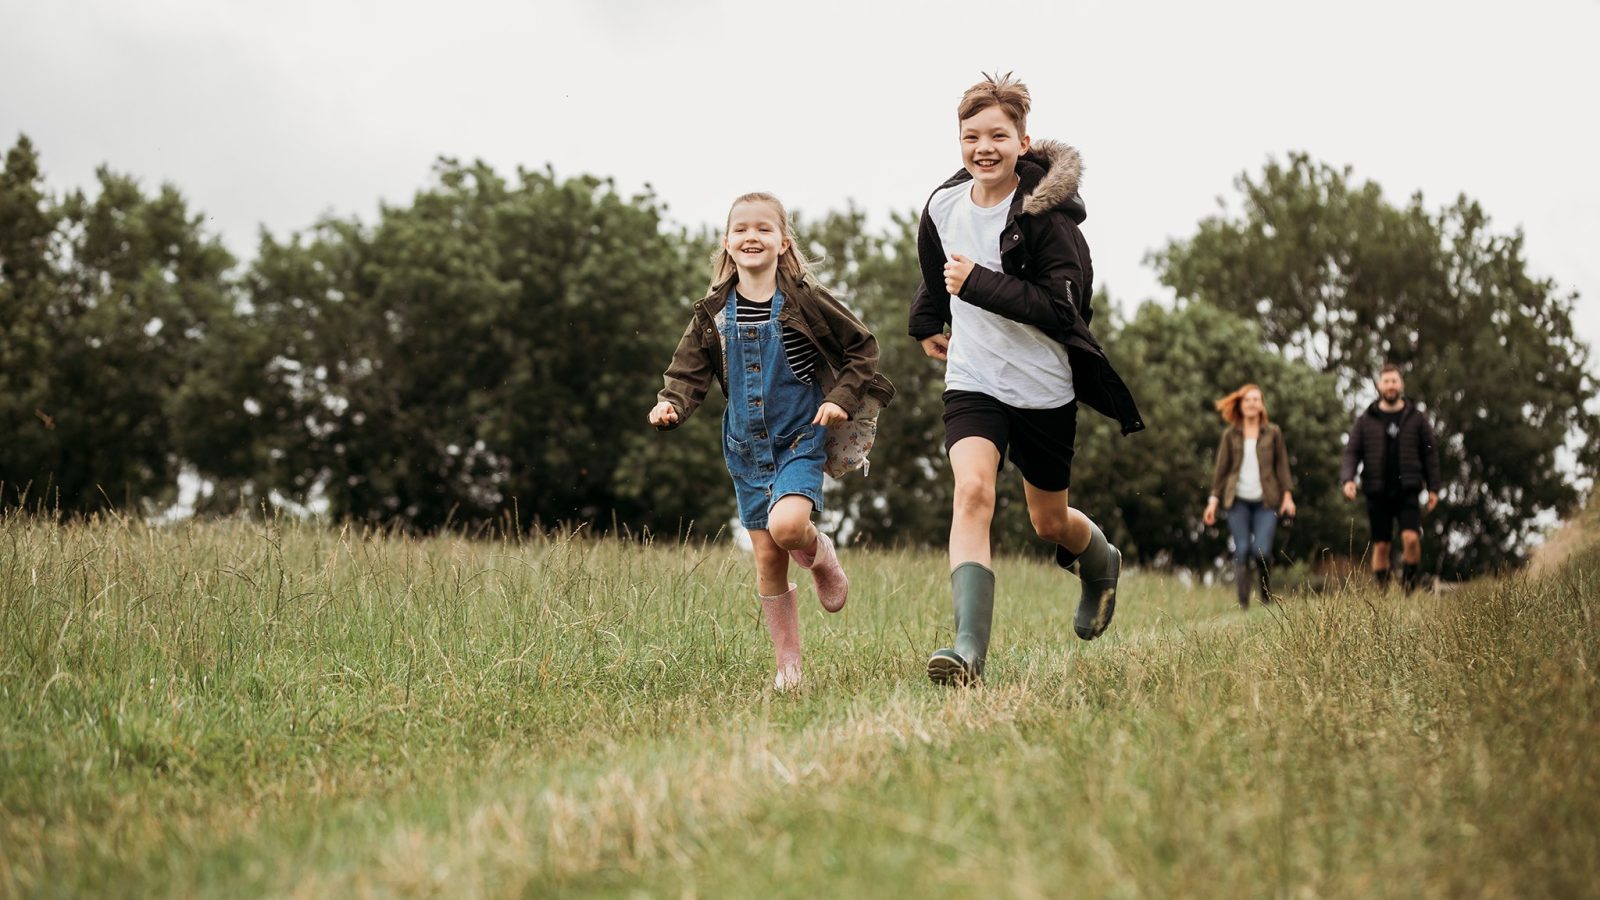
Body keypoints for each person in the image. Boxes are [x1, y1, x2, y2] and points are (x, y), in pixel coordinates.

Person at [908, 73, 1144, 686]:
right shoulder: (942, 205)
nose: (983, 147)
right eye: (971, 136)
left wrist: (979, 285)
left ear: (1023, 141)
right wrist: (930, 316)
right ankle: (966, 653)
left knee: (1048, 522)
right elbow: (937, 267)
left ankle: (1098, 563)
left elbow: (1063, 308)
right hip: (973, 380)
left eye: (997, 135)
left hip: (1043, 388)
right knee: (973, 494)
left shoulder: (1049, 218)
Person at [651, 192, 895, 690]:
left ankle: (820, 552)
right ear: (726, 243)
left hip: (801, 437)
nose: (751, 236)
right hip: (744, 447)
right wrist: (671, 402)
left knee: (789, 528)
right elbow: (688, 371)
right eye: (741, 229)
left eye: (763, 229)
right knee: (767, 557)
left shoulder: (805, 300)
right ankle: (789, 668)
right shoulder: (713, 313)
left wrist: (842, 400)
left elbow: (862, 348)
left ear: (783, 243)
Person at [1340, 363, 1441, 594]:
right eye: (1386, 381)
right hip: (1376, 489)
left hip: (1408, 488)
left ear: (1401, 384)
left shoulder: (1416, 417)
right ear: (1379, 385)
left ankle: (1407, 590)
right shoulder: (1366, 419)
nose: (1391, 386)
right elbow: (1352, 451)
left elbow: (1429, 452)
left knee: (1412, 539)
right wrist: (1348, 479)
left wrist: (1433, 487)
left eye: (1394, 381)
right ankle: (1384, 594)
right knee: (1381, 545)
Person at [1204, 384, 1296, 608]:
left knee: (1261, 551)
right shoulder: (1230, 435)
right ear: (1241, 405)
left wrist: (1287, 496)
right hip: (1238, 501)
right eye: (1247, 400)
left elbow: (1282, 466)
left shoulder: (1273, 432)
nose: (1252, 403)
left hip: (1267, 501)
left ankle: (1265, 596)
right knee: (1242, 549)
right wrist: (1213, 502)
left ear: (1262, 405)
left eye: (1256, 399)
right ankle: (1243, 603)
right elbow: (1221, 471)